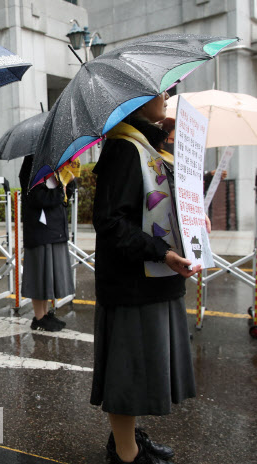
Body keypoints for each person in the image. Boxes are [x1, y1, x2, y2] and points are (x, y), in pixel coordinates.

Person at [91, 91, 199, 464]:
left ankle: (128, 439)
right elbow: (110, 222)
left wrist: (171, 140)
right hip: (133, 283)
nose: (167, 96)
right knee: (128, 372)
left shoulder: (146, 145)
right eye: (158, 91)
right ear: (135, 102)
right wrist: (161, 253)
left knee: (138, 369)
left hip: (155, 278)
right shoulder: (122, 149)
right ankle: (125, 454)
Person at [19, 156, 75, 332]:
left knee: (47, 275)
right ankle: (39, 317)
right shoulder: (31, 164)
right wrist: (60, 191)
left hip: (54, 228)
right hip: (39, 230)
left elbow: (65, 196)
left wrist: (70, 182)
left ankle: (44, 315)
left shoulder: (55, 163)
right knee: (39, 273)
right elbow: (37, 197)